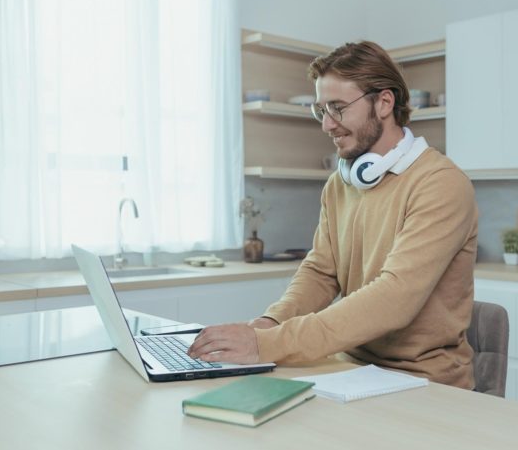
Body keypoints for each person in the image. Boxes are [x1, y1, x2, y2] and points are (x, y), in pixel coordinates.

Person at [188, 40, 478, 388]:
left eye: (338, 108)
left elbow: (394, 299)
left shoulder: (440, 184)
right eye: (321, 110)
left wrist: (266, 344)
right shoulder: (340, 184)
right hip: (347, 371)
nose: (327, 125)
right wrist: (269, 323)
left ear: (384, 102)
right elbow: (321, 273)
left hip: (424, 383)